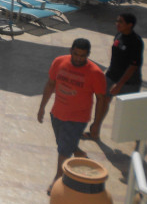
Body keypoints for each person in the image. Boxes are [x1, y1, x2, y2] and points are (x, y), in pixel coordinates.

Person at [37, 38, 106, 194]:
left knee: (63, 150)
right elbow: (50, 84)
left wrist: (97, 123)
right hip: (57, 113)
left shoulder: (95, 73)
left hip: (77, 118)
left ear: (88, 54)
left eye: (83, 56)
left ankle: (58, 177)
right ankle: (78, 152)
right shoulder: (59, 62)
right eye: (76, 54)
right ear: (71, 51)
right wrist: (42, 107)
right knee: (63, 141)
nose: (79, 58)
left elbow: (101, 99)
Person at [83, 13, 143, 141]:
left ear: (129, 25)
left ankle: (138, 136)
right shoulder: (118, 35)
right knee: (102, 102)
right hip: (111, 76)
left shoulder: (136, 42)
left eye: (120, 22)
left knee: (129, 110)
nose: (117, 24)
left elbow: (133, 66)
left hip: (129, 82)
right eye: (117, 21)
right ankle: (95, 130)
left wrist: (119, 84)